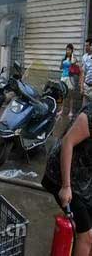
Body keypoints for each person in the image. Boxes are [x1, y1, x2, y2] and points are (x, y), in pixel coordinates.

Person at [42, 104, 92, 256]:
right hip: (63, 176)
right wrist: (65, 186)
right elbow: (68, 142)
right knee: (87, 235)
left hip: (85, 178)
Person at [60, 43, 78, 118]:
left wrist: (73, 54)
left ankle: (70, 111)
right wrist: (62, 63)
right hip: (63, 77)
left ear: (72, 50)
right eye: (67, 50)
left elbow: (74, 62)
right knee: (63, 95)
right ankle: (62, 110)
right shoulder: (63, 59)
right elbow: (60, 67)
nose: (68, 51)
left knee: (70, 95)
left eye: (69, 50)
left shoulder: (73, 58)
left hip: (70, 78)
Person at [80, 38, 92, 105]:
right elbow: (82, 73)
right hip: (86, 85)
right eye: (85, 46)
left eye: (87, 45)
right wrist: (82, 87)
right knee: (84, 107)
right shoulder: (84, 57)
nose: (86, 47)